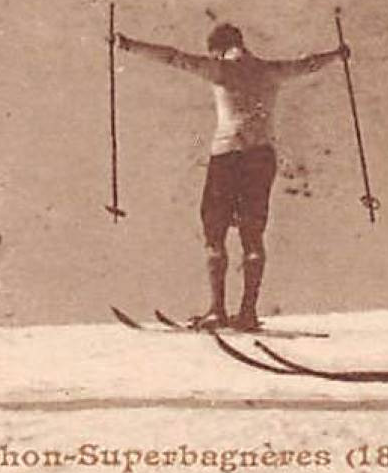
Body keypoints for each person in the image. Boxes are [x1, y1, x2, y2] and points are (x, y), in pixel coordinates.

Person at [116, 22, 348, 331]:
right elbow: (308, 64)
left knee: (215, 233)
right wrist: (337, 54)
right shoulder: (270, 71)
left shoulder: (219, 70)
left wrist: (129, 44)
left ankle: (217, 310)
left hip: (227, 155)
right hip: (261, 157)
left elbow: (173, 57)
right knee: (253, 235)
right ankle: (248, 312)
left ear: (217, 48)